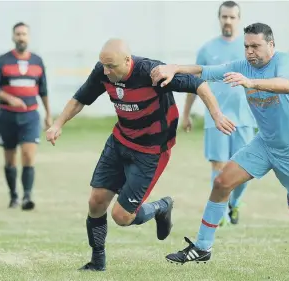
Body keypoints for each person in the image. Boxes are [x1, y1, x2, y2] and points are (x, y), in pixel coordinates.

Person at [150, 23, 289, 269]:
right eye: (246, 46)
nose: (249, 52)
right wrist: (174, 68)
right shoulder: (242, 66)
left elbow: (286, 84)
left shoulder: (284, 61)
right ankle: (203, 247)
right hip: (265, 144)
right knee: (221, 182)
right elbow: (206, 70)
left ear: (271, 45)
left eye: (255, 46)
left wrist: (251, 83)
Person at [45, 38, 236, 271]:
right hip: (120, 142)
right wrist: (57, 124)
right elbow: (80, 98)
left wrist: (216, 115)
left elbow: (199, 84)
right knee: (96, 202)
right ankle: (97, 261)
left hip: (151, 152)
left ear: (127, 60)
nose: (106, 71)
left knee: (122, 216)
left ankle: (160, 207)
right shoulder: (104, 71)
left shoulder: (152, 72)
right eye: (103, 65)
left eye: (111, 66)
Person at [182, 1, 256, 226]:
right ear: (219, 18)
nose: (228, 21)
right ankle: (219, 213)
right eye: (224, 17)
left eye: (232, 17)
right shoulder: (207, 50)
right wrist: (185, 114)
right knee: (218, 166)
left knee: (246, 169)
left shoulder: (249, 50)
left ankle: (235, 203)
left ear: (239, 20)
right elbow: (193, 84)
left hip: (244, 119)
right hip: (216, 120)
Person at [0, 22, 52, 210]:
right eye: (18, 34)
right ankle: (14, 196)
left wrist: (48, 114)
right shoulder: (3, 61)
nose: (21, 37)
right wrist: (9, 98)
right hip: (7, 117)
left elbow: (43, 90)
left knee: (28, 156)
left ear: (28, 37)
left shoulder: (37, 62)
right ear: (13, 37)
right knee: (10, 158)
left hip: (30, 117)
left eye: (24, 34)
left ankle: (27, 197)